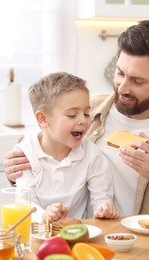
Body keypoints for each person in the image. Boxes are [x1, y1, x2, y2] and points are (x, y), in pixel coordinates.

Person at [4, 20, 149, 226]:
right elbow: (47, 164)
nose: (122, 87)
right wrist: (21, 168)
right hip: (87, 241)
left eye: (137, 81)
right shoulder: (85, 111)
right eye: (119, 73)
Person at [15, 72, 119, 222]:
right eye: (72, 115)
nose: (83, 120)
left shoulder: (91, 152)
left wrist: (104, 207)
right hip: (37, 234)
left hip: (77, 233)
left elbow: (101, 195)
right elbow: (23, 201)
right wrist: (43, 215)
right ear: (43, 119)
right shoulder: (25, 153)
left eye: (86, 113)